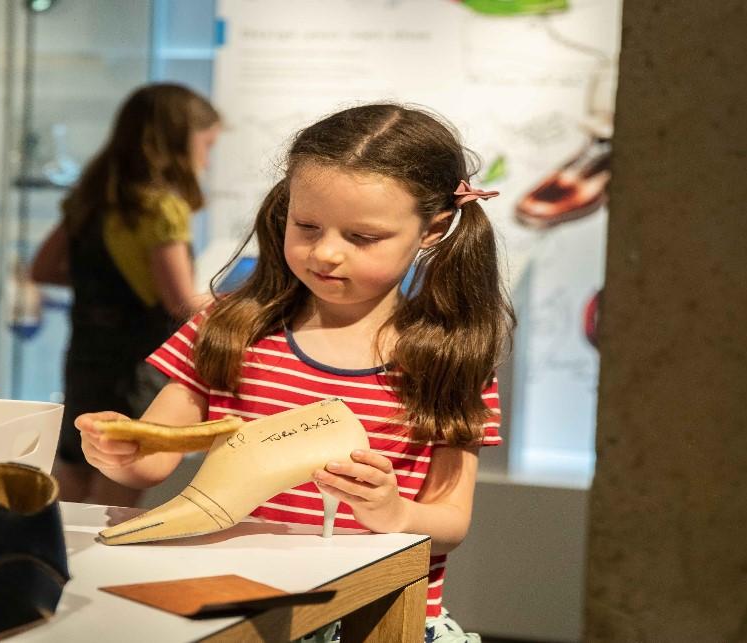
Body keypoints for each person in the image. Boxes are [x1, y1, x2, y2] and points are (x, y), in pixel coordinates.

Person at [75, 103, 513, 640]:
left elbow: (450, 520)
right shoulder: (230, 326)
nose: (326, 253)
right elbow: (155, 457)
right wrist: (119, 453)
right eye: (306, 225)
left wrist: (393, 510)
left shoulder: (450, 359)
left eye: (362, 237)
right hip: (242, 610)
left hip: (374, 619)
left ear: (433, 229)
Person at [30, 83, 221, 505]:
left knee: (77, 462)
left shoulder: (91, 198)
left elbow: (42, 268)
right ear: (179, 141)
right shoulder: (162, 207)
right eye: (206, 144)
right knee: (119, 467)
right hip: (136, 359)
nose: (207, 158)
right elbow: (179, 302)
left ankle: (58, 561)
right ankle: (101, 566)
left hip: (86, 353)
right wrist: (238, 302)